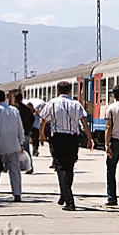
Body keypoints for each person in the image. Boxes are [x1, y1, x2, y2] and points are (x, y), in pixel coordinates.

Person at [39, 81, 94, 211]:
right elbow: (84, 121)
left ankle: (69, 201)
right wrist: (89, 137)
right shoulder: (76, 104)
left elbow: (43, 120)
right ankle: (64, 195)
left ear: (57, 91)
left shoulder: (52, 103)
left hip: (58, 138)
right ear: (70, 91)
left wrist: (41, 134)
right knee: (69, 168)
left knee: (61, 169)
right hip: (73, 139)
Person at [14, 92, 35, 173]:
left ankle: (8, 166)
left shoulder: (13, 108)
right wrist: (28, 128)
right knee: (26, 150)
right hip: (25, 132)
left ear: (15, 99)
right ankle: (30, 167)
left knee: (11, 151)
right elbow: (32, 119)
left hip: (14, 133)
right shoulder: (27, 109)